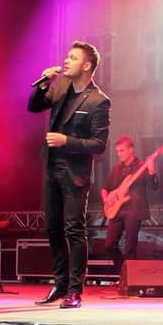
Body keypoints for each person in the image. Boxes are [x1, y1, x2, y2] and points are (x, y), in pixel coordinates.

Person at [27, 41, 111, 309]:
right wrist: (44, 85)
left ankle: (75, 290)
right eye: (67, 57)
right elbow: (34, 107)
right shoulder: (62, 86)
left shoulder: (98, 100)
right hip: (52, 166)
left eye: (73, 58)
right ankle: (59, 285)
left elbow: (99, 144)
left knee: (74, 229)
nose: (66, 61)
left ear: (86, 66)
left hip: (75, 172)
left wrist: (67, 141)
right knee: (52, 228)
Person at [101, 136, 158, 270]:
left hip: (134, 209)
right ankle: (123, 272)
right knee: (109, 245)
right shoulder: (116, 168)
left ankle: (130, 277)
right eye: (117, 151)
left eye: (121, 150)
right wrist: (106, 199)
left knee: (130, 247)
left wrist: (151, 169)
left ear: (131, 150)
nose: (119, 154)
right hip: (117, 210)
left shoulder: (141, 166)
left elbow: (154, 187)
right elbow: (105, 189)